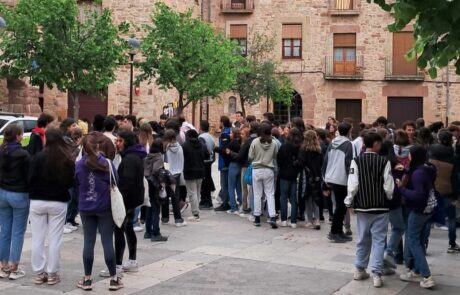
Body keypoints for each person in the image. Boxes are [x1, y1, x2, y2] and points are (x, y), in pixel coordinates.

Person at [345, 132, 394, 288]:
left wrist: (349, 202)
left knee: (362, 238)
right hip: (381, 206)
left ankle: (359, 269)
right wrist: (389, 197)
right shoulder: (384, 162)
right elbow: (388, 185)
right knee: (379, 240)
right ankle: (377, 274)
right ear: (377, 144)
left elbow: (353, 184)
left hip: (363, 206)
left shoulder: (356, 161)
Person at [75, 133, 123, 291]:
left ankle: (87, 279)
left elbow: (76, 183)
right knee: (107, 241)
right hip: (104, 207)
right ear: (98, 146)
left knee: (88, 242)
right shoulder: (108, 164)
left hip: (86, 206)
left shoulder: (79, 164)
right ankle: (114, 279)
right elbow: (116, 181)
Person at [29, 128, 75, 285]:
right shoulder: (66, 158)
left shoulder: (37, 158)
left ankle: (39, 272)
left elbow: (30, 178)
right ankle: (52, 273)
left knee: (37, 237)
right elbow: (70, 182)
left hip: (37, 200)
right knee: (55, 238)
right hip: (58, 200)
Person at [397, 146, 436, 289]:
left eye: (410, 155)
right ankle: (416, 270)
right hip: (429, 210)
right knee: (419, 240)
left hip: (418, 210)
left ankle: (426, 276)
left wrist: (402, 188)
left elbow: (419, 196)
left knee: (413, 240)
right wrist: (407, 170)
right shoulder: (427, 169)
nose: (408, 157)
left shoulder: (418, 174)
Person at [113, 130, 146, 274]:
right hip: (133, 199)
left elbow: (127, 182)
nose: (117, 143)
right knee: (128, 228)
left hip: (127, 200)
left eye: (120, 141)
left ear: (126, 142)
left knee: (120, 229)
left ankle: (118, 264)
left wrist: (120, 203)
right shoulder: (133, 156)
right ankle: (131, 260)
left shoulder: (130, 159)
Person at [0, 124, 30, 280]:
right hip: (19, 193)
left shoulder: (1, 150)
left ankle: (2, 266)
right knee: (17, 232)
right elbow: (29, 176)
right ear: (18, 136)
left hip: (2, 192)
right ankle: (14, 267)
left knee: (4, 230)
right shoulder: (23, 154)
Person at [428, 130, 459, 253]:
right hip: (448, 190)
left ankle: (424, 243)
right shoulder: (454, 158)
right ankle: (452, 244)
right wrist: (456, 195)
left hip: (432, 189)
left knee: (427, 218)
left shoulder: (431, 154)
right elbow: (455, 178)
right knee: (451, 218)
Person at [323, 122, 354, 243]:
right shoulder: (348, 144)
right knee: (341, 207)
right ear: (349, 131)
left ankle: (339, 231)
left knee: (341, 206)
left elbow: (326, 160)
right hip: (342, 178)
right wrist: (351, 178)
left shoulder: (332, 143)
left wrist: (325, 177)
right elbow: (349, 163)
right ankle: (334, 231)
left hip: (331, 176)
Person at [249, 122, 279, 228]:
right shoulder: (274, 143)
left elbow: (250, 156)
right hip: (269, 169)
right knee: (270, 194)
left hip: (257, 169)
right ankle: (272, 217)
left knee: (257, 194)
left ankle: (257, 217)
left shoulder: (255, 142)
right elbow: (275, 156)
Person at [228, 122, 260, 218]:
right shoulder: (259, 139)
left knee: (245, 188)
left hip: (246, 166)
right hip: (256, 166)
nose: (240, 136)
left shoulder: (248, 142)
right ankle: (252, 208)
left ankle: (246, 207)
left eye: (242, 134)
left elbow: (240, 156)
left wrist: (231, 153)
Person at [144, 138, 169, 242]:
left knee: (149, 207)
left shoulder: (147, 157)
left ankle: (148, 231)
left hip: (147, 184)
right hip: (155, 185)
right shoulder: (158, 158)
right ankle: (156, 233)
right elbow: (156, 171)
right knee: (155, 208)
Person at [182, 130, 209, 221]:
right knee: (197, 192)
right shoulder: (202, 144)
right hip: (200, 170)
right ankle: (196, 211)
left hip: (189, 171)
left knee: (191, 193)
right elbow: (207, 156)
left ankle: (195, 213)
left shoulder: (185, 145)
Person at [277, 128, 302, 228]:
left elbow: (279, 159)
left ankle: (283, 219)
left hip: (284, 173)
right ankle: (293, 221)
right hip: (294, 173)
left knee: (283, 197)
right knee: (293, 198)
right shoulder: (299, 146)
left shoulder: (284, 146)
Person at [299, 130, 323, 230]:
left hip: (307, 176)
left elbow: (301, 163)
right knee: (316, 198)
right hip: (317, 176)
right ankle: (317, 219)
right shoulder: (319, 150)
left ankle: (309, 220)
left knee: (307, 198)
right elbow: (322, 163)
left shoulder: (303, 149)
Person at [163, 129, 186, 226]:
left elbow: (165, 161)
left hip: (167, 173)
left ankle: (164, 218)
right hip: (176, 174)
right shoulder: (180, 148)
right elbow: (182, 160)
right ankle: (178, 219)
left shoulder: (165, 149)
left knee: (164, 195)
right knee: (175, 197)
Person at [214, 116, 232, 212]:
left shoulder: (225, 133)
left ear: (222, 123)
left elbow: (224, 149)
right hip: (227, 162)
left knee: (224, 184)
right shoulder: (229, 131)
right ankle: (228, 201)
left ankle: (226, 203)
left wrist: (215, 148)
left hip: (224, 162)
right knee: (227, 183)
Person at [198, 120, 216, 210]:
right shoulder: (211, 137)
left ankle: (206, 201)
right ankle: (205, 200)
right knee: (207, 179)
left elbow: (201, 149)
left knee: (204, 182)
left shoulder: (201, 137)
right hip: (209, 161)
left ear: (200, 127)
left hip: (203, 161)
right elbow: (213, 147)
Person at [226, 128, 243, 214]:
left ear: (233, 133)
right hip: (240, 165)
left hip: (233, 164)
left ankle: (233, 207)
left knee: (231, 187)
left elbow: (227, 152)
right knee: (238, 186)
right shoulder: (241, 142)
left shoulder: (232, 143)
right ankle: (241, 204)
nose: (230, 134)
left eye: (231, 133)